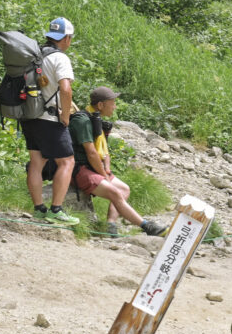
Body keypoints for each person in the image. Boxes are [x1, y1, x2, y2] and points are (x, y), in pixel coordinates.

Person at [68, 86, 166, 237]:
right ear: (100, 105)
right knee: (114, 192)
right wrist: (104, 176)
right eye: (112, 103)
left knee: (124, 189)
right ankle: (147, 226)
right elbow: (92, 153)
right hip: (79, 168)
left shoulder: (96, 118)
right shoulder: (82, 121)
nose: (115, 106)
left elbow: (104, 150)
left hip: (92, 167)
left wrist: (106, 169)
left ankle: (110, 225)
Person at [21, 17, 78, 224]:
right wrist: (65, 116)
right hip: (50, 118)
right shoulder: (60, 58)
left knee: (37, 162)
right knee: (67, 161)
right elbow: (65, 89)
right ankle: (56, 209)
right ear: (66, 38)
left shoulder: (34, 55)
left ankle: (39, 209)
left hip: (29, 115)